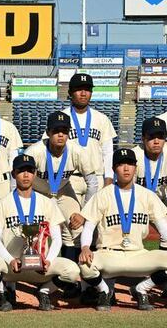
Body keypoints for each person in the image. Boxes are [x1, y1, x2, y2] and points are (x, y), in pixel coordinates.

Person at [77, 148, 167, 311]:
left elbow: (163, 228)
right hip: (109, 254)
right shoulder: (103, 195)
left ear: (136, 168)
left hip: (138, 253)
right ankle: (105, 291)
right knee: (84, 265)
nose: (126, 168)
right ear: (115, 169)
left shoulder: (147, 195)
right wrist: (85, 247)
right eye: (121, 164)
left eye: (130, 164)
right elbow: (89, 227)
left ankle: (142, 289)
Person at [0, 154, 81, 311]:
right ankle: (2, 294)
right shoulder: (2, 204)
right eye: (21, 171)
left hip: (40, 266)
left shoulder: (46, 203)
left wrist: (48, 260)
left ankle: (44, 292)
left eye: (30, 170)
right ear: (14, 174)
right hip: (11, 266)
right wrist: (10, 260)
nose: (26, 175)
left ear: (35, 174)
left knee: (73, 271)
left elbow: (57, 238)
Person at [23, 111, 99, 261]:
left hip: (63, 190)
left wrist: (84, 213)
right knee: (31, 233)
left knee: (77, 229)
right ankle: (34, 273)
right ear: (48, 133)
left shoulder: (77, 151)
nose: (60, 135)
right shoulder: (34, 152)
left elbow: (93, 182)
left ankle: (74, 276)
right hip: (38, 192)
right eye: (56, 131)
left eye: (64, 131)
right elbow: (21, 180)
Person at [65, 73, 117, 187]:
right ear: (70, 93)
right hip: (69, 178)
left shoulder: (102, 119)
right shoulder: (61, 117)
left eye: (87, 89)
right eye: (78, 89)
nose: (83, 93)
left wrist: (109, 178)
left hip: (97, 176)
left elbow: (108, 153)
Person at [132, 117, 167, 228]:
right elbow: (128, 190)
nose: (156, 142)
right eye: (151, 137)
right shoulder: (134, 156)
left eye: (160, 137)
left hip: (162, 200)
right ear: (143, 139)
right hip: (137, 200)